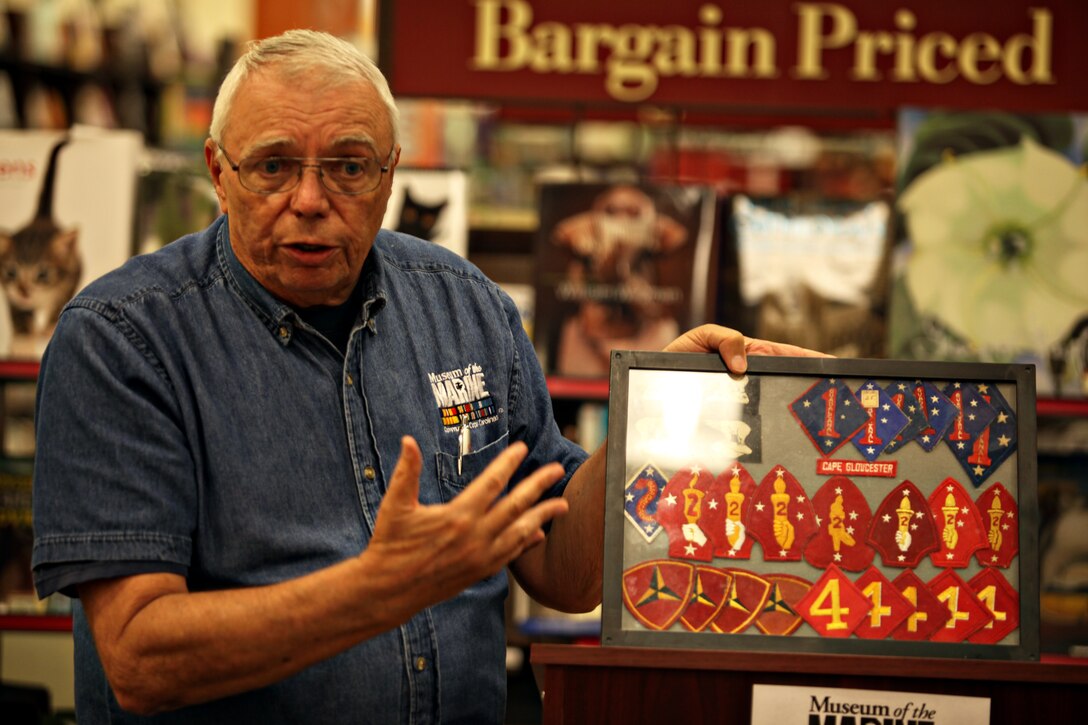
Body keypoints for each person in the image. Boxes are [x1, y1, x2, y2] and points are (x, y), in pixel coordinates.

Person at [31, 29, 823, 724]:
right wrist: (378, 588)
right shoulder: (125, 339)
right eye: (273, 166)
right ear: (218, 169)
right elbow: (139, 659)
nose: (309, 200)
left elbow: (564, 571)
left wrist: (651, 405)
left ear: (391, 174)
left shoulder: (464, 303)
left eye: (348, 166)